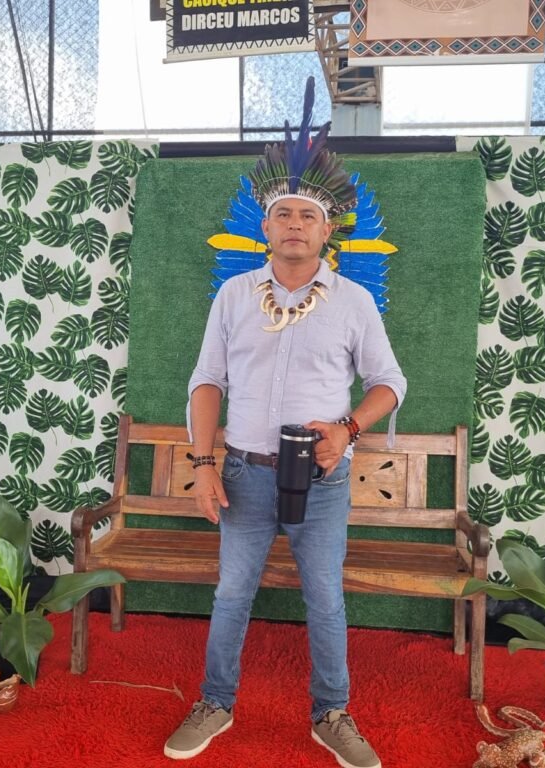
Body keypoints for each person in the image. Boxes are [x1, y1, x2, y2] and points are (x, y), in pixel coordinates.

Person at [164, 78, 406, 768]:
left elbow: (390, 384)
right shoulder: (233, 297)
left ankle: (332, 713)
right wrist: (204, 466)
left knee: (324, 597)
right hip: (243, 472)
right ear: (265, 228)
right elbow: (206, 382)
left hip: (322, 478)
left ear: (328, 230)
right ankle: (215, 702)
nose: (295, 224)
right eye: (283, 215)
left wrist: (347, 430)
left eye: (308, 215)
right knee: (231, 592)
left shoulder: (354, 302)